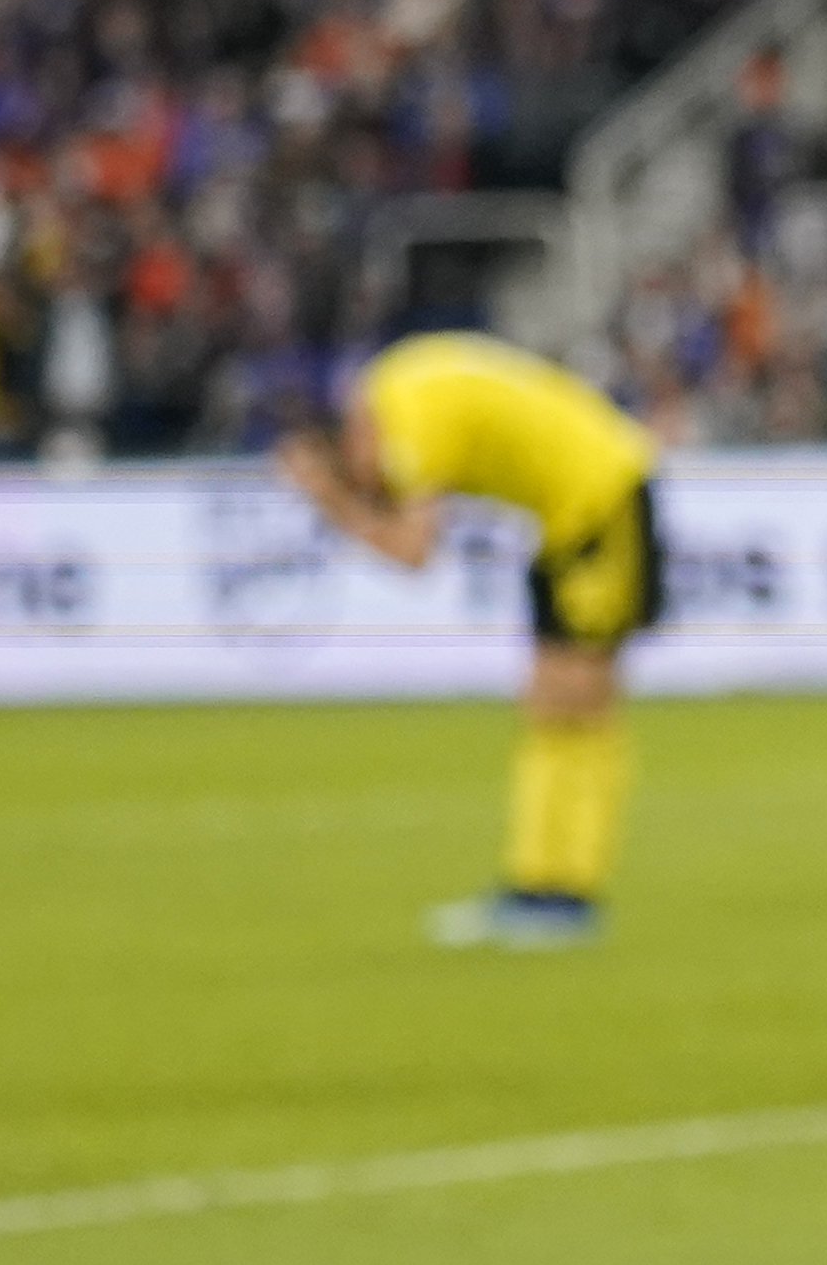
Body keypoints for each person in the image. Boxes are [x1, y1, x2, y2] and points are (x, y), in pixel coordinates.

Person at [280, 330, 661, 949]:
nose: (370, 481)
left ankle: (566, 893)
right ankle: (540, 884)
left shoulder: (405, 416)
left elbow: (411, 552)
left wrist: (331, 501)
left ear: (354, 434)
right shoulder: (401, 384)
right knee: (551, 706)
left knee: (578, 705)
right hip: (570, 509)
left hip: (600, 500)